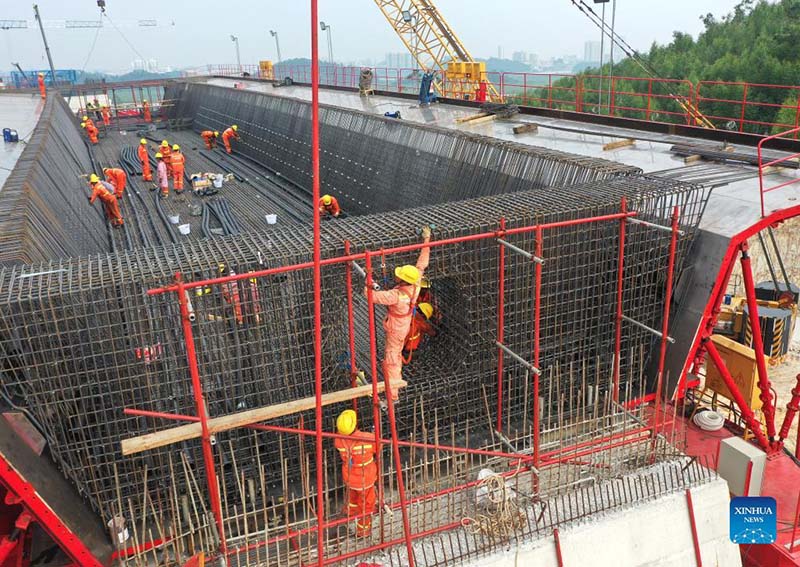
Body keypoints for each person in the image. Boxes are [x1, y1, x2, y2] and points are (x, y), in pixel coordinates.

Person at [366, 226, 431, 401]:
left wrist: (368, 282)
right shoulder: (416, 282)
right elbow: (422, 263)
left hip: (396, 328)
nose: (397, 275)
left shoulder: (396, 296)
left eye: (399, 275)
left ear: (403, 280)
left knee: (392, 358)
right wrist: (426, 239)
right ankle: (393, 388)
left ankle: (393, 395)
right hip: (404, 324)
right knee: (395, 354)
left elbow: (371, 296)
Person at [334, 410, 377, 537]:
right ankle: (363, 530)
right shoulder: (367, 439)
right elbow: (377, 447)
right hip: (365, 479)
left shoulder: (338, 441)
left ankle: (351, 512)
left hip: (350, 478)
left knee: (353, 497)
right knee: (367, 504)